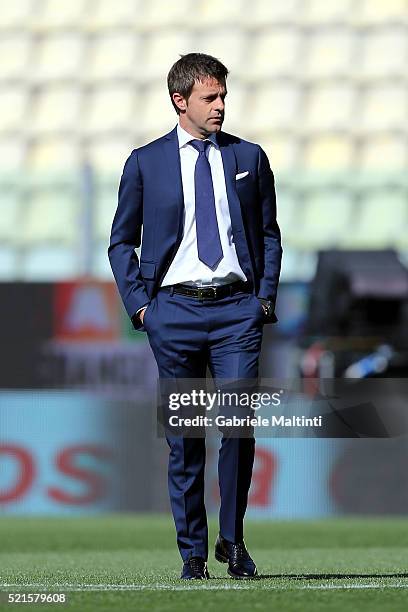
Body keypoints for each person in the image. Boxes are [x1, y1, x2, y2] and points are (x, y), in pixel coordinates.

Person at [108, 53, 282, 580]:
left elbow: (269, 234)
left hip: (236, 313)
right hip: (174, 312)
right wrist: (143, 307)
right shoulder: (145, 162)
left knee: (237, 427)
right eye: (210, 98)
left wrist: (263, 300)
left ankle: (233, 540)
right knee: (184, 437)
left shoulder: (249, 156)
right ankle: (191, 554)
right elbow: (121, 242)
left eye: (224, 96)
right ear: (180, 101)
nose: (221, 106)